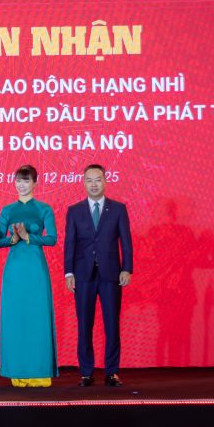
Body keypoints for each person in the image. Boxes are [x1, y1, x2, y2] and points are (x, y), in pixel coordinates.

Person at [63, 164, 133, 387]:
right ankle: (86, 372)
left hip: (111, 274)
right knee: (84, 325)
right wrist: (69, 272)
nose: (94, 184)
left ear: (105, 181)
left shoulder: (118, 209)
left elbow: (126, 242)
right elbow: (70, 243)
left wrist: (127, 268)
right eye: (89, 180)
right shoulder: (74, 211)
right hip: (83, 275)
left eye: (98, 179)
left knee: (112, 324)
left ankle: (112, 372)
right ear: (84, 183)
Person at [0, 165, 58, 387]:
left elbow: (52, 238)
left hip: (35, 268)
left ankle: (40, 372)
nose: (21, 185)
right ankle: (18, 372)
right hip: (14, 269)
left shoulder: (44, 209)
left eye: (26, 181)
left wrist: (28, 237)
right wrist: (13, 239)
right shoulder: (7, 210)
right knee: (16, 318)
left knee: (37, 317)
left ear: (35, 183)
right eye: (18, 181)